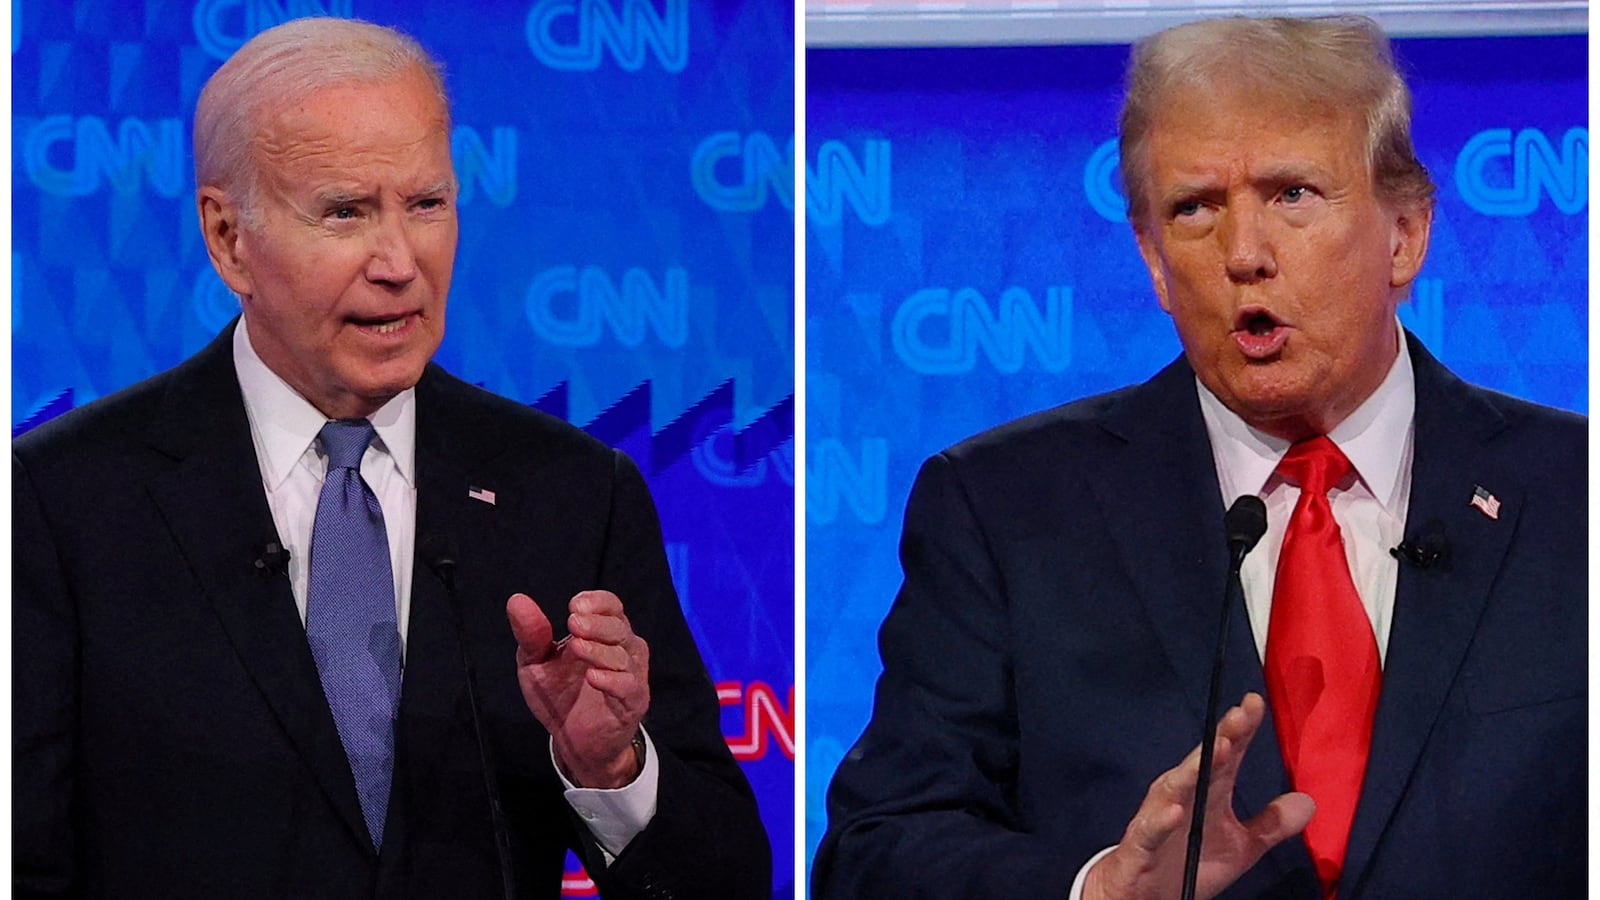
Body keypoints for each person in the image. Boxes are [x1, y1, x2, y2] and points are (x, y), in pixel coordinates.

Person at [813, 15, 1583, 900]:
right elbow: (876, 851)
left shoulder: (1576, 495)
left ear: (1404, 233)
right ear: (1153, 261)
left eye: (1293, 194)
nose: (1244, 255)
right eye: (1195, 209)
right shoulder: (1003, 509)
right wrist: (1099, 890)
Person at [13, 17, 769, 899]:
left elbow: (724, 880)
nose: (401, 262)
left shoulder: (570, 494)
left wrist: (609, 768)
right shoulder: (59, 501)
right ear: (227, 238)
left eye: (427, 204)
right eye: (346, 212)